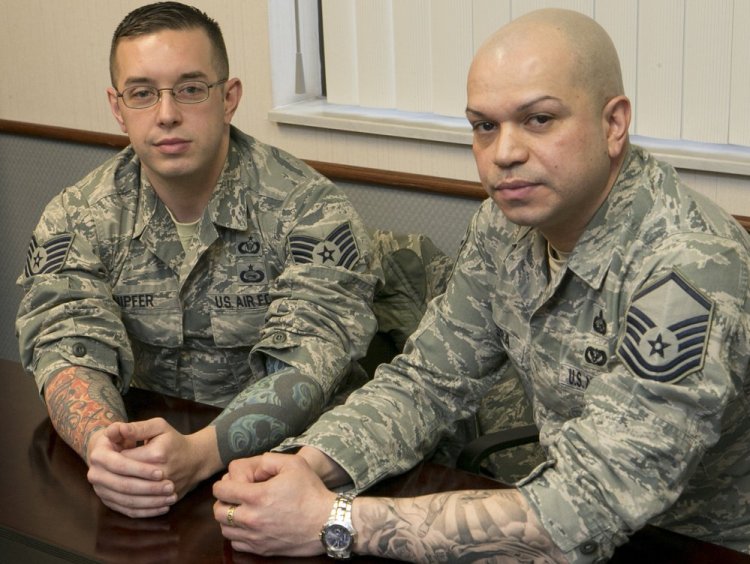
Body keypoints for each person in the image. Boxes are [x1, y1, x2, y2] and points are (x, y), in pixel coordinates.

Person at [211, 8, 750, 562]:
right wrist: (309, 462)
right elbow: (429, 380)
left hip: (696, 544)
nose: (504, 153)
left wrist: (334, 519)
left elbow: (594, 500)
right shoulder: (505, 225)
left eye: (539, 119)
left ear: (613, 124)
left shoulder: (690, 266)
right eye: (484, 126)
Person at [16, 1, 382, 519]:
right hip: (145, 463)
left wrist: (201, 452)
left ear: (228, 97)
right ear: (117, 107)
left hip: (289, 474)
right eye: (142, 93)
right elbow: (67, 344)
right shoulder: (77, 216)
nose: (167, 114)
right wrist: (103, 443)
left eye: (190, 89)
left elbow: (309, 364)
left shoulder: (310, 210)